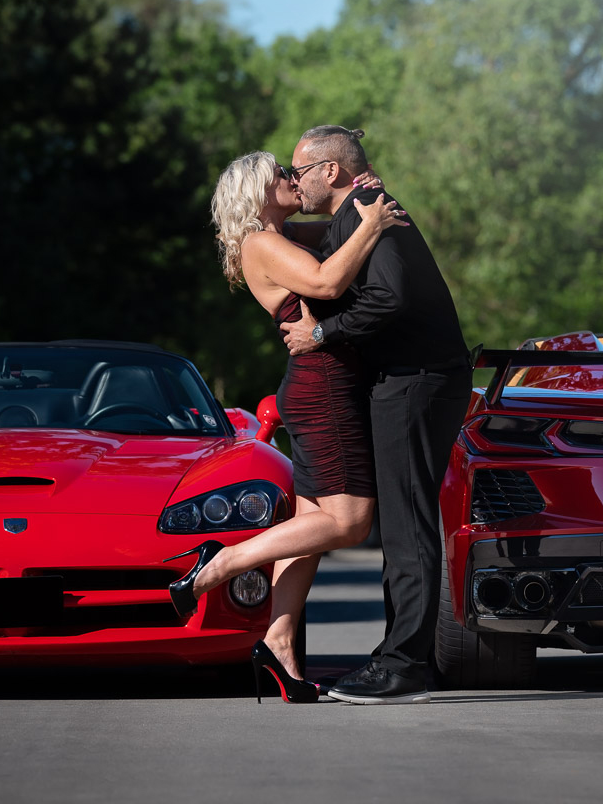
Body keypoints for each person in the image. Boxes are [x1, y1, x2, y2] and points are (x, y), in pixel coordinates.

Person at [166, 150, 407, 704]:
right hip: (321, 389)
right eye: (281, 175)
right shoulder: (261, 242)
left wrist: (356, 195)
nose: (292, 179)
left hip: (318, 385)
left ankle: (279, 644)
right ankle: (220, 562)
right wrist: (371, 222)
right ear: (257, 191)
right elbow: (324, 282)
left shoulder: (283, 233)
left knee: (311, 528)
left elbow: (334, 226)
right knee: (349, 521)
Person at [280, 125, 473, 705]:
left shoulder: (365, 206)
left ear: (331, 171)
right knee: (402, 520)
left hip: (417, 381)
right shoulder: (357, 212)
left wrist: (323, 332)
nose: (296, 181)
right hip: (406, 381)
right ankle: (401, 656)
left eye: (300, 171)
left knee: (408, 522)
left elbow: (391, 297)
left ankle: (404, 664)